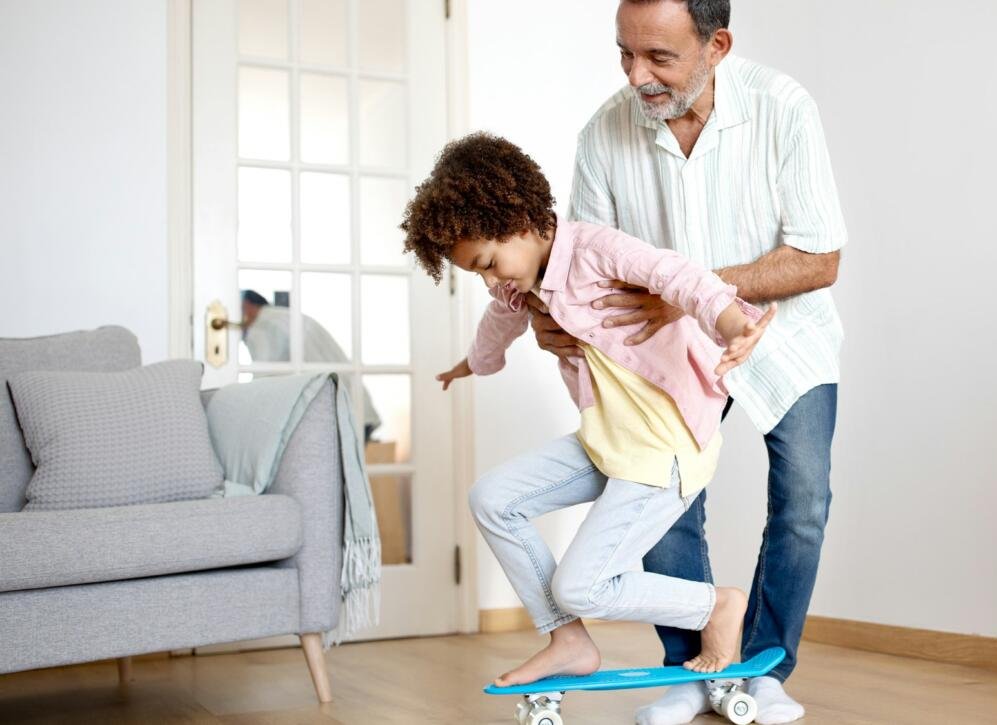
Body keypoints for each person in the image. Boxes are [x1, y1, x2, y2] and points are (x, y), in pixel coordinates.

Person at [527, 1, 848, 722]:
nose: (637, 75)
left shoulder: (783, 109)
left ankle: (765, 668)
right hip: (665, 357)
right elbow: (584, 267)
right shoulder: (604, 132)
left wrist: (695, 293)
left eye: (660, 57)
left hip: (787, 342)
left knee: (804, 502)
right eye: (625, 53)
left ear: (717, 45)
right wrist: (551, 321)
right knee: (663, 506)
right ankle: (694, 667)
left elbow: (819, 257)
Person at [401, 132, 778, 688]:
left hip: (661, 447)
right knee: (493, 499)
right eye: (476, 273)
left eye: (488, 262)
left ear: (520, 220)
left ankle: (715, 606)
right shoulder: (518, 286)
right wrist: (471, 364)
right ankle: (568, 639)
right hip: (609, 442)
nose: (490, 280)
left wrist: (732, 325)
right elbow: (496, 325)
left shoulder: (596, 249)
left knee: (579, 584)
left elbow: (682, 278)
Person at [240, 290, 383, 440]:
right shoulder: (284, 317)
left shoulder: (263, 325)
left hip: (336, 417)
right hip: (356, 410)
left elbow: (261, 378)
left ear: (247, 305)